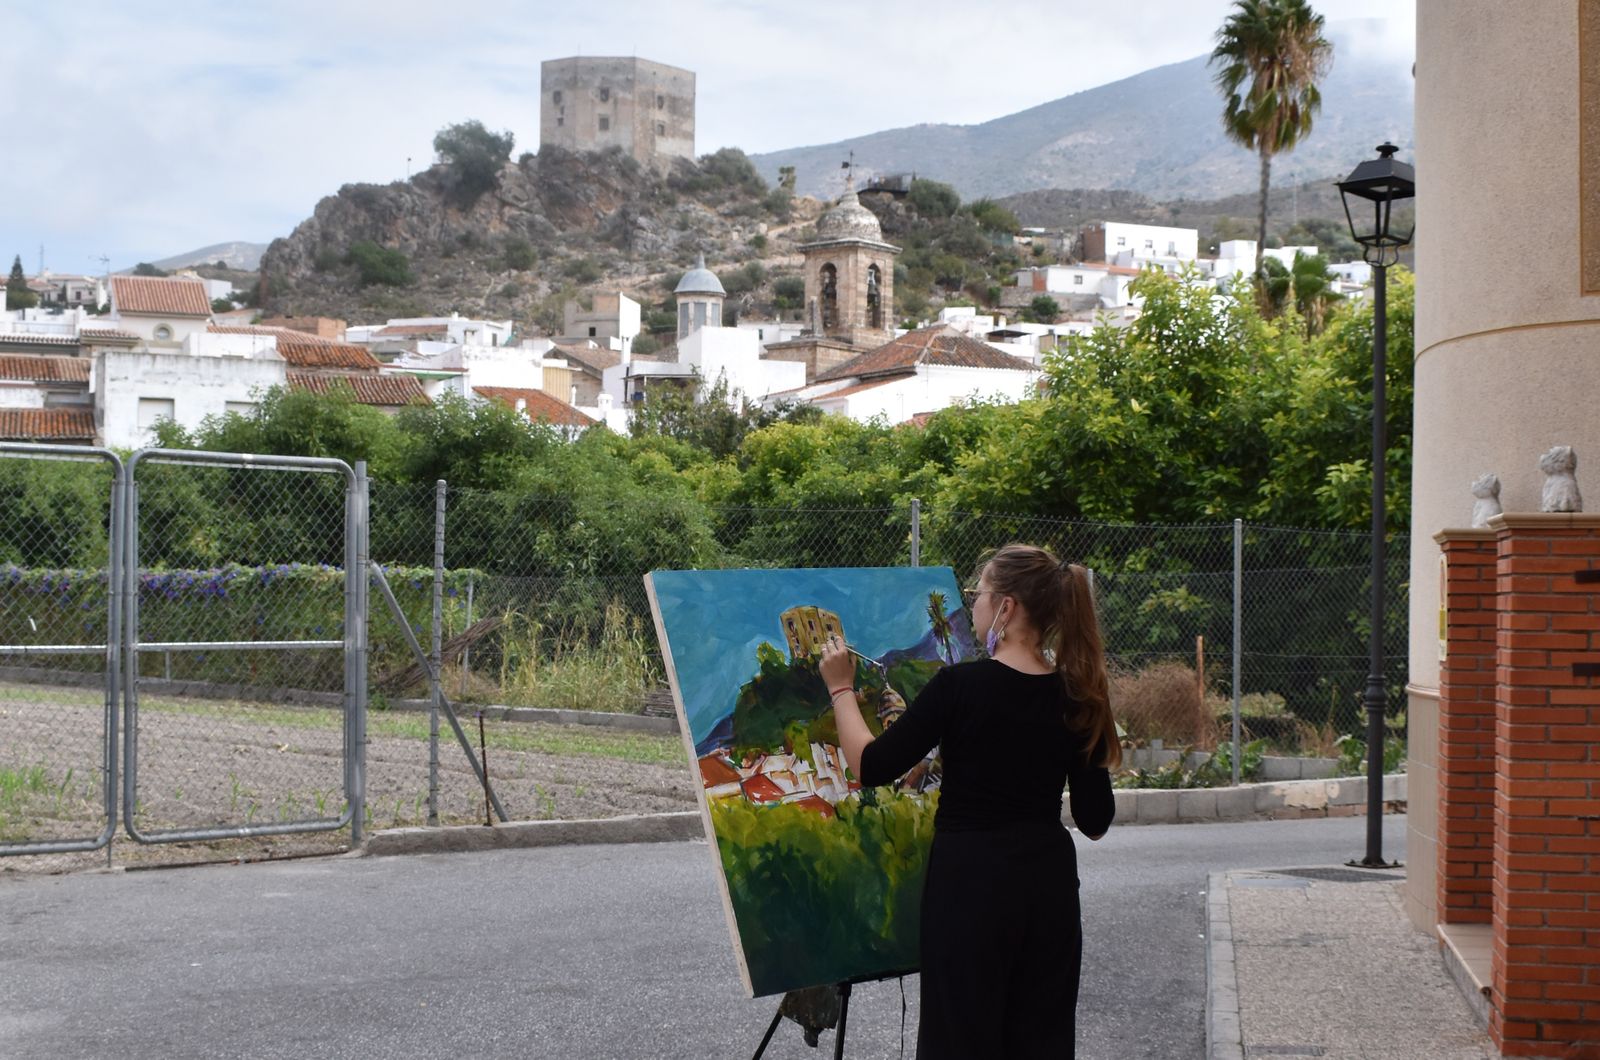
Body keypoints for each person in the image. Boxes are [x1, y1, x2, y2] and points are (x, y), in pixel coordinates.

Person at [819, 543, 1120, 1059]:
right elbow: (1095, 820)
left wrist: (841, 688)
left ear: (1006, 607)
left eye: (977, 594)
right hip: (1048, 891)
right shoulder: (1079, 695)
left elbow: (871, 766)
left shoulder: (959, 686)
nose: (972, 605)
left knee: (960, 1042)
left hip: (971, 891)